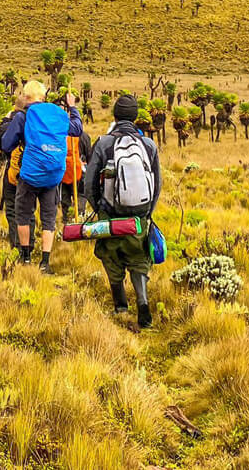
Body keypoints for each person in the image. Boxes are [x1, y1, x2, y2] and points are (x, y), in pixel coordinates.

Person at [84, 93, 162, 328]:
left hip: (110, 213)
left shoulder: (104, 143)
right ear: (136, 117)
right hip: (140, 213)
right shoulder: (148, 145)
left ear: (115, 116)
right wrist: (147, 212)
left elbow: (88, 184)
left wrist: (99, 208)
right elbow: (157, 184)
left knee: (111, 256)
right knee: (139, 258)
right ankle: (143, 302)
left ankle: (120, 305)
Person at [1, 79, 83, 271]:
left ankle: (26, 257)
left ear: (27, 97)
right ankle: (45, 263)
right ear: (43, 97)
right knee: (49, 218)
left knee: (23, 214)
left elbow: (6, 144)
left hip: (30, 175)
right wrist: (73, 107)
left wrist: (11, 127)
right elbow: (77, 129)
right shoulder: (58, 113)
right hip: (54, 175)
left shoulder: (24, 116)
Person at [0, 93, 29, 247]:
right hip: (30, 171)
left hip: (12, 172)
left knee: (12, 209)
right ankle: (29, 243)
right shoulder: (34, 124)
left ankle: (16, 243)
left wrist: (6, 121)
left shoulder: (10, 124)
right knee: (28, 210)